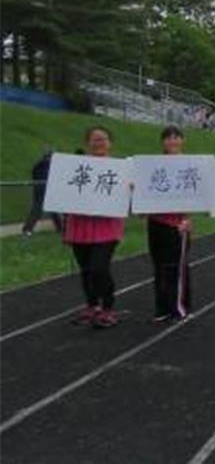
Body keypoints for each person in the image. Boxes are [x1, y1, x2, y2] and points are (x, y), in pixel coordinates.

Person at [64, 126, 125, 329]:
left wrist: (130, 189)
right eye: (94, 139)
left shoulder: (120, 168)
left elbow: (128, 196)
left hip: (106, 228)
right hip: (80, 226)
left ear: (110, 143)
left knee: (99, 268)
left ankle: (107, 308)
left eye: (103, 139)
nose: (99, 143)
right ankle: (91, 306)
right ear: (88, 143)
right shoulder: (77, 167)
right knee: (85, 270)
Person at [146, 126, 193, 323]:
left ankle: (179, 307)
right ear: (162, 142)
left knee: (176, 267)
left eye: (176, 137)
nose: (172, 141)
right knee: (159, 266)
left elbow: (196, 194)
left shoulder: (190, 164)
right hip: (156, 221)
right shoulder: (153, 164)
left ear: (182, 141)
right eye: (168, 138)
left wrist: (188, 219)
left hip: (178, 224)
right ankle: (162, 307)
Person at [21, 146, 62, 238]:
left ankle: (60, 227)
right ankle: (27, 230)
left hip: (40, 188)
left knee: (52, 208)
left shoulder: (38, 164)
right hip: (44, 189)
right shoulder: (47, 164)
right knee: (37, 209)